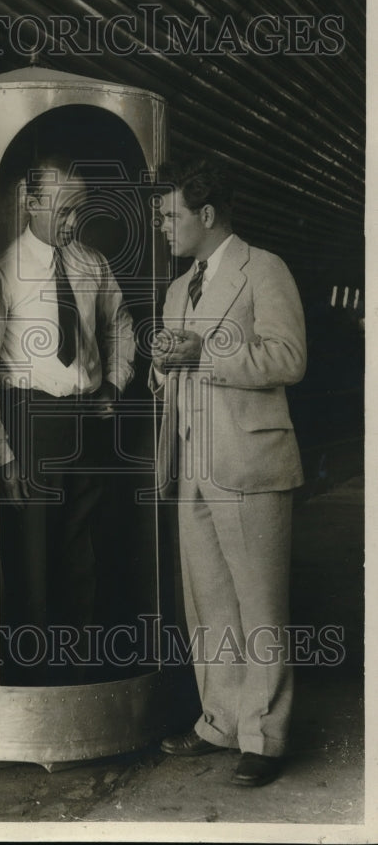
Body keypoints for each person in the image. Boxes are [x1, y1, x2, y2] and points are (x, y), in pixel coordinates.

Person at [150, 158, 306, 787]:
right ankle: (219, 719)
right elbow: (171, 375)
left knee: (259, 606)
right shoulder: (175, 288)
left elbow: (288, 357)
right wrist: (161, 364)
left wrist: (204, 352)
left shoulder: (262, 269)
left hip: (249, 461)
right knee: (210, 604)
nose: (163, 227)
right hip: (193, 465)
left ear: (206, 215)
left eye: (170, 215)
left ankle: (264, 738)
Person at [0, 152, 135, 684]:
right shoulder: (5, 269)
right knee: (34, 555)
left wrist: (114, 387)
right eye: (65, 210)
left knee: (86, 547)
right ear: (31, 203)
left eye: (82, 210)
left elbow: (121, 325)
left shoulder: (91, 263)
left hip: (86, 421)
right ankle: (36, 678)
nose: (75, 223)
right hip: (31, 422)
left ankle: (82, 670)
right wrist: (5, 454)